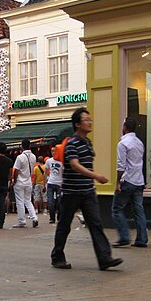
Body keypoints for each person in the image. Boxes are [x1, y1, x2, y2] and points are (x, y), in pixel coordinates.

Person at [51, 107, 123, 271]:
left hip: (87, 192)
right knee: (64, 225)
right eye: (86, 120)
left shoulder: (88, 143)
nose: (90, 123)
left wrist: (92, 183)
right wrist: (95, 176)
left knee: (96, 223)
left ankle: (104, 258)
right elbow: (74, 165)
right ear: (77, 124)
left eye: (90, 120)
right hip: (71, 192)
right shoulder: (71, 144)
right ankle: (57, 256)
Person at [110, 117, 148, 248]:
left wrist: (118, 183)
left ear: (125, 128)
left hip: (127, 180)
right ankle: (142, 239)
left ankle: (124, 236)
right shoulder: (139, 143)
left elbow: (121, 166)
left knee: (116, 209)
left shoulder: (123, 143)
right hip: (139, 181)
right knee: (139, 210)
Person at [12, 139, 39, 228]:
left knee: (20, 201)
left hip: (20, 181)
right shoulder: (34, 157)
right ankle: (34, 217)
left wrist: (14, 180)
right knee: (28, 201)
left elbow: (16, 170)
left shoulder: (20, 157)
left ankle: (22, 221)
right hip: (28, 181)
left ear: (22, 146)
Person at [44, 147, 63, 224]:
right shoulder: (49, 161)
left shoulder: (62, 161)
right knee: (50, 202)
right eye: (52, 151)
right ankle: (52, 218)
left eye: (54, 151)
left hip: (59, 184)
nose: (53, 152)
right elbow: (45, 172)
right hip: (50, 183)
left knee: (59, 202)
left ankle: (59, 217)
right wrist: (44, 183)